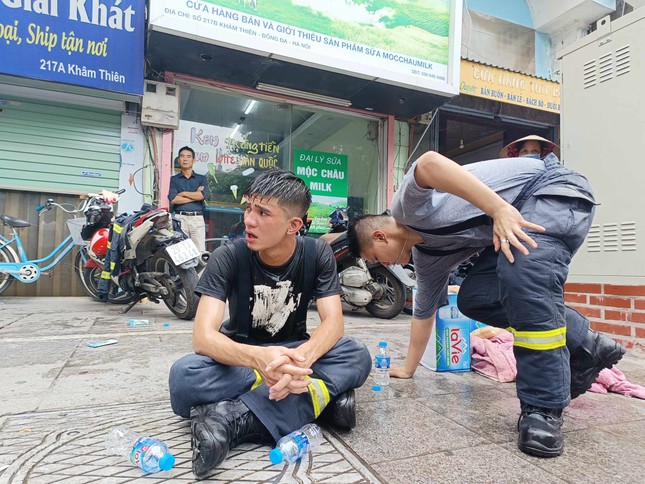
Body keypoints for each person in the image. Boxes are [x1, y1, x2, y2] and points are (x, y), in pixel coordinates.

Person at [347, 144, 625, 459]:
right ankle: (586, 342)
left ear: (381, 237)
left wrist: (498, 209)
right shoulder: (427, 260)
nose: (387, 265)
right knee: (475, 298)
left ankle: (543, 408)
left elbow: (428, 163)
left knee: (522, 276)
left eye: (376, 258)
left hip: (549, 192)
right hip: (512, 221)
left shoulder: (407, 209)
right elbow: (423, 313)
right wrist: (408, 369)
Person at [169, 169, 372, 478]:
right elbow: (203, 338)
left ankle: (234, 419)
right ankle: (322, 403)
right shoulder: (228, 256)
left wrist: (297, 364)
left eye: (263, 213)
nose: (249, 220)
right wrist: (261, 360)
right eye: (248, 208)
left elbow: (333, 324)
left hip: (294, 353)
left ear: (294, 226)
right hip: (242, 359)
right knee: (184, 377)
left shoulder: (318, 254)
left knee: (356, 354)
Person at [169, 146, 209, 252]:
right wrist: (195, 194)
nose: (185, 159)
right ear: (179, 160)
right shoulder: (174, 179)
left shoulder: (201, 179)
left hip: (197, 218)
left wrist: (182, 194)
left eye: (188, 156)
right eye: (182, 156)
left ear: (193, 160)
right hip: (179, 218)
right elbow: (173, 200)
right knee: (181, 252)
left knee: (200, 252)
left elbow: (203, 196)